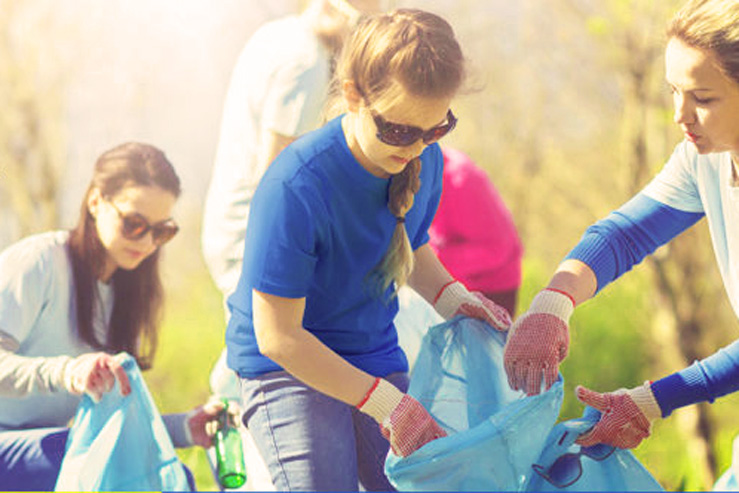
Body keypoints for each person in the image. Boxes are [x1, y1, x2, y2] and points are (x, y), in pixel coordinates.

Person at [225, 9, 512, 491]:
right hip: (286, 368)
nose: (416, 149)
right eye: (399, 131)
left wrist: (455, 299)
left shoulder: (425, 161)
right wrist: (387, 404)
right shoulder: (295, 184)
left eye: (435, 129)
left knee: (415, 483)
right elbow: (278, 337)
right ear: (354, 95)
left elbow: (411, 250)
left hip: (371, 352)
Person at [503, 0, 739, 450]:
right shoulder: (703, 158)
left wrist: (651, 400)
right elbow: (625, 234)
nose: (680, 115)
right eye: (674, 91)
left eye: (702, 99)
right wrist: (554, 300)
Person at [0, 142, 224, 491]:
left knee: (177, 479)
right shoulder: (39, 263)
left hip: (46, 447)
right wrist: (66, 371)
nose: (147, 242)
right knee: (91, 463)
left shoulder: (126, 294)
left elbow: (117, 426)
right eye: (134, 224)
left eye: (161, 230)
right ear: (95, 201)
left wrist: (183, 428)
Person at [430, 146, 523, 316]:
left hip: (492, 290)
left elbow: (496, 249)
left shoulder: (461, 178)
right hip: (451, 284)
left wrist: (432, 261)